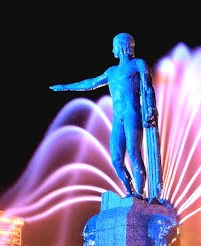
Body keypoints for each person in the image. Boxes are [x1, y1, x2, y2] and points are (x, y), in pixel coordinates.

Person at [50, 33, 162, 200]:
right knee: (116, 159)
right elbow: (90, 83)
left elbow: (148, 88)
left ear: (122, 46)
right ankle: (130, 191)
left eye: (114, 46)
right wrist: (66, 87)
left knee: (133, 153)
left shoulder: (138, 64)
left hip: (133, 113)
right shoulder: (112, 72)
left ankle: (139, 195)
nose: (112, 50)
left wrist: (151, 108)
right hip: (118, 119)